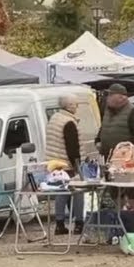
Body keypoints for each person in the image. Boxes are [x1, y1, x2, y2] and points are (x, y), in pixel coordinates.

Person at [45, 94, 85, 235]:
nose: (77, 107)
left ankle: (59, 224)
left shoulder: (54, 118)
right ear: (69, 106)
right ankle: (79, 223)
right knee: (78, 191)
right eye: (75, 104)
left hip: (53, 163)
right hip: (66, 163)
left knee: (60, 193)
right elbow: (72, 148)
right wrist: (77, 165)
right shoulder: (68, 122)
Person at [96, 84, 134, 158]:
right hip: (107, 155)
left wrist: (124, 149)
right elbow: (104, 127)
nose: (108, 98)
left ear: (121, 97)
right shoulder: (107, 110)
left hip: (125, 157)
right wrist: (98, 140)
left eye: (110, 95)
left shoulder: (133, 111)